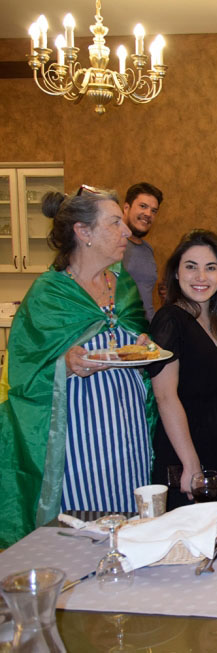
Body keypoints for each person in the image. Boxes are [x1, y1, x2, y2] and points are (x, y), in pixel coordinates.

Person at [0, 187, 154, 547]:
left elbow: (135, 343)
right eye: (114, 223)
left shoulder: (124, 286)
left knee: (131, 527)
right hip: (82, 437)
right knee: (87, 530)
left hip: (130, 431)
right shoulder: (49, 293)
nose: (126, 231)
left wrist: (144, 346)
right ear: (83, 232)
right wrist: (63, 364)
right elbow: (22, 374)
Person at [148, 231, 217, 516]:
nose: (201, 277)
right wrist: (191, 463)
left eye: (210, 267)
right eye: (191, 267)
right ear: (176, 273)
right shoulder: (169, 320)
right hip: (187, 445)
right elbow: (165, 396)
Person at [121, 182, 164, 320]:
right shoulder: (113, 245)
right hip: (122, 328)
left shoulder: (148, 250)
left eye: (153, 211)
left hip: (147, 328)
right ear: (126, 208)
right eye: (143, 206)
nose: (148, 214)